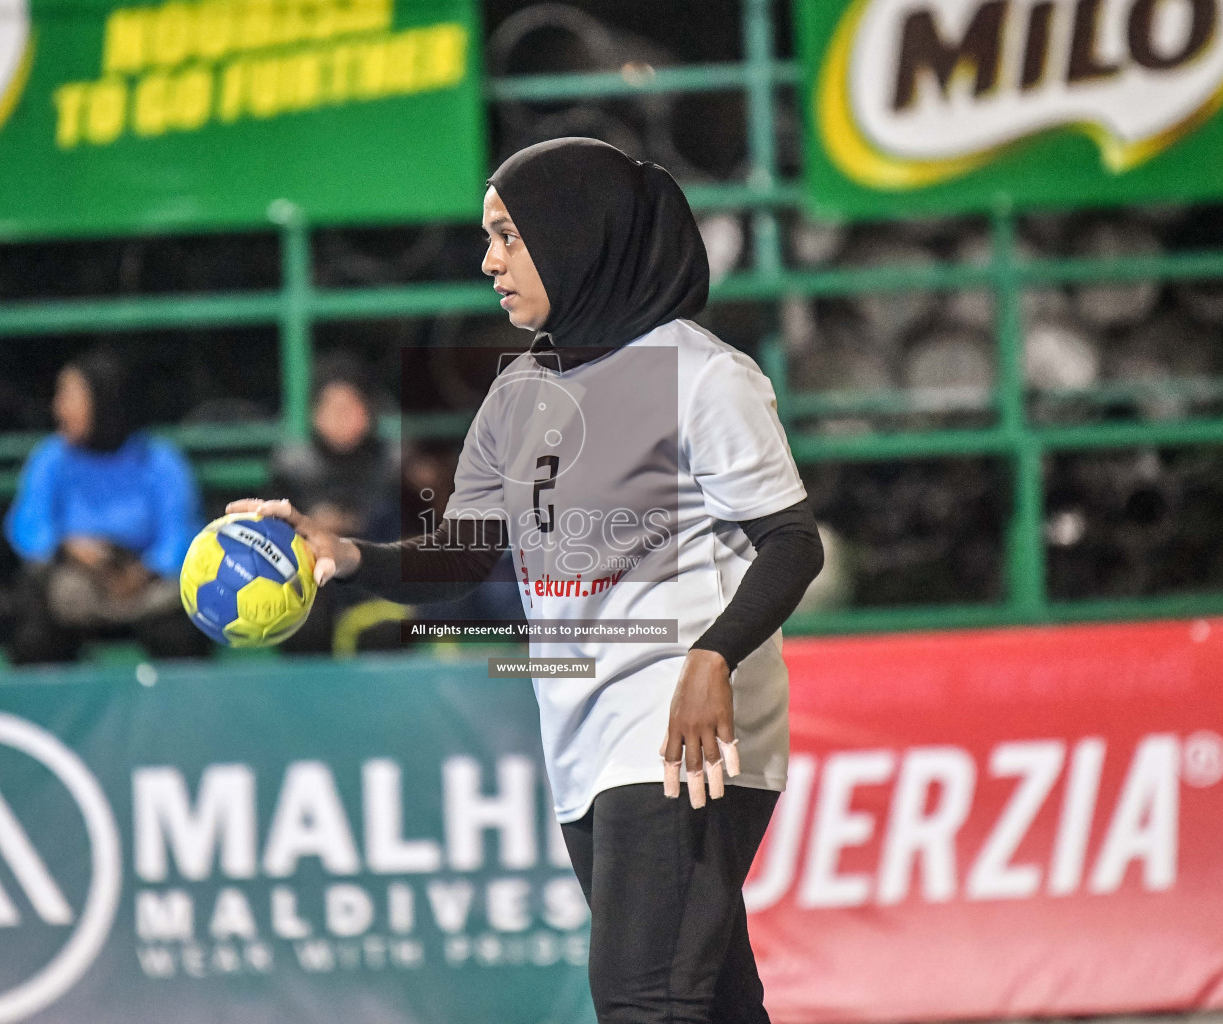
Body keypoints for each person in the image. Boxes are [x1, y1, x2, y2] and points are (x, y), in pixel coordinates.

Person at [231, 138, 824, 1024]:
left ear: (573, 236)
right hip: (583, 739)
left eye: (508, 235)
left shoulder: (702, 375)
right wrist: (343, 555)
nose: (489, 261)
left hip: (683, 735)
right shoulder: (519, 397)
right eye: (488, 238)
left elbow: (791, 543)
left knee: (644, 1001)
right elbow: (465, 554)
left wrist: (712, 658)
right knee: (713, 1003)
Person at [6, 347, 209, 663]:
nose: (58, 409)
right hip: (74, 586)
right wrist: (67, 548)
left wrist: (145, 572)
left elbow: (181, 534)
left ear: (104, 401)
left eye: (70, 397)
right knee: (35, 633)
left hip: (146, 588)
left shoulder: (158, 460)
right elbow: (28, 526)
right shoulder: (51, 458)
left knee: (183, 630)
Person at [266, 357, 404, 654]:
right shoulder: (292, 466)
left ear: (369, 411)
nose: (342, 419)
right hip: (312, 583)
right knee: (302, 623)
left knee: (387, 632)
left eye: (350, 407)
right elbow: (271, 538)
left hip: (372, 581)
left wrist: (352, 525)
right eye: (332, 408)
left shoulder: (392, 464)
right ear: (315, 414)